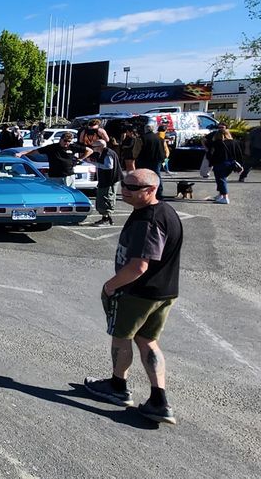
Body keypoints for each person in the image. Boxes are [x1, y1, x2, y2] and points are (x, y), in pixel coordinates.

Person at [84, 169, 183, 425]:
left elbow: (139, 266)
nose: (125, 190)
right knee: (148, 340)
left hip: (137, 293)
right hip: (163, 291)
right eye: (124, 184)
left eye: (132, 187)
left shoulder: (147, 221)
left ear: (150, 190)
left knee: (121, 336)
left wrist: (111, 286)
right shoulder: (166, 212)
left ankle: (118, 386)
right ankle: (159, 400)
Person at [16, 131, 92, 188]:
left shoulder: (73, 147)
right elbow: (35, 151)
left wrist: (80, 159)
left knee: (70, 192)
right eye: (65, 140)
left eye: (69, 141)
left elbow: (89, 150)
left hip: (68, 175)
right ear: (60, 140)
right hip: (55, 175)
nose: (66, 143)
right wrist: (22, 153)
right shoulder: (52, 147)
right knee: (56, 192)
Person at [89, 139, 122, 227]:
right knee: (103, 198)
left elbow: (108, 166)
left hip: (110, 180)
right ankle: (106, 218)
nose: (93, 148)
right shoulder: (104, 152)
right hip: (106, 180)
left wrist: (95, 164)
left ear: (100, 147)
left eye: (94, 147)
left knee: (107, 198)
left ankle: (107, 219)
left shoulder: (107, 153)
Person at [203, 124, 236, 204]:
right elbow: (237, 153)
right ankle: (220, 195)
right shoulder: (233, 142)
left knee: (221, 180)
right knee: (222, 179)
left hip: (220, 164)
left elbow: (211, 153)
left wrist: (211, 162)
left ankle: (225, 197)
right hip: (231, 163)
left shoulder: (216, 143)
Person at [135, 122, 167, 197]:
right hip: (157, 160)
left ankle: (144, 191)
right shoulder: (159, 138)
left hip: (144, 160)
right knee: (157, 176)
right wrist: (163, 159)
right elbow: (163, 150)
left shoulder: (142, 138)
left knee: (143, 176)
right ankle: (159, 192)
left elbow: (138, 150)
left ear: (145, 129)